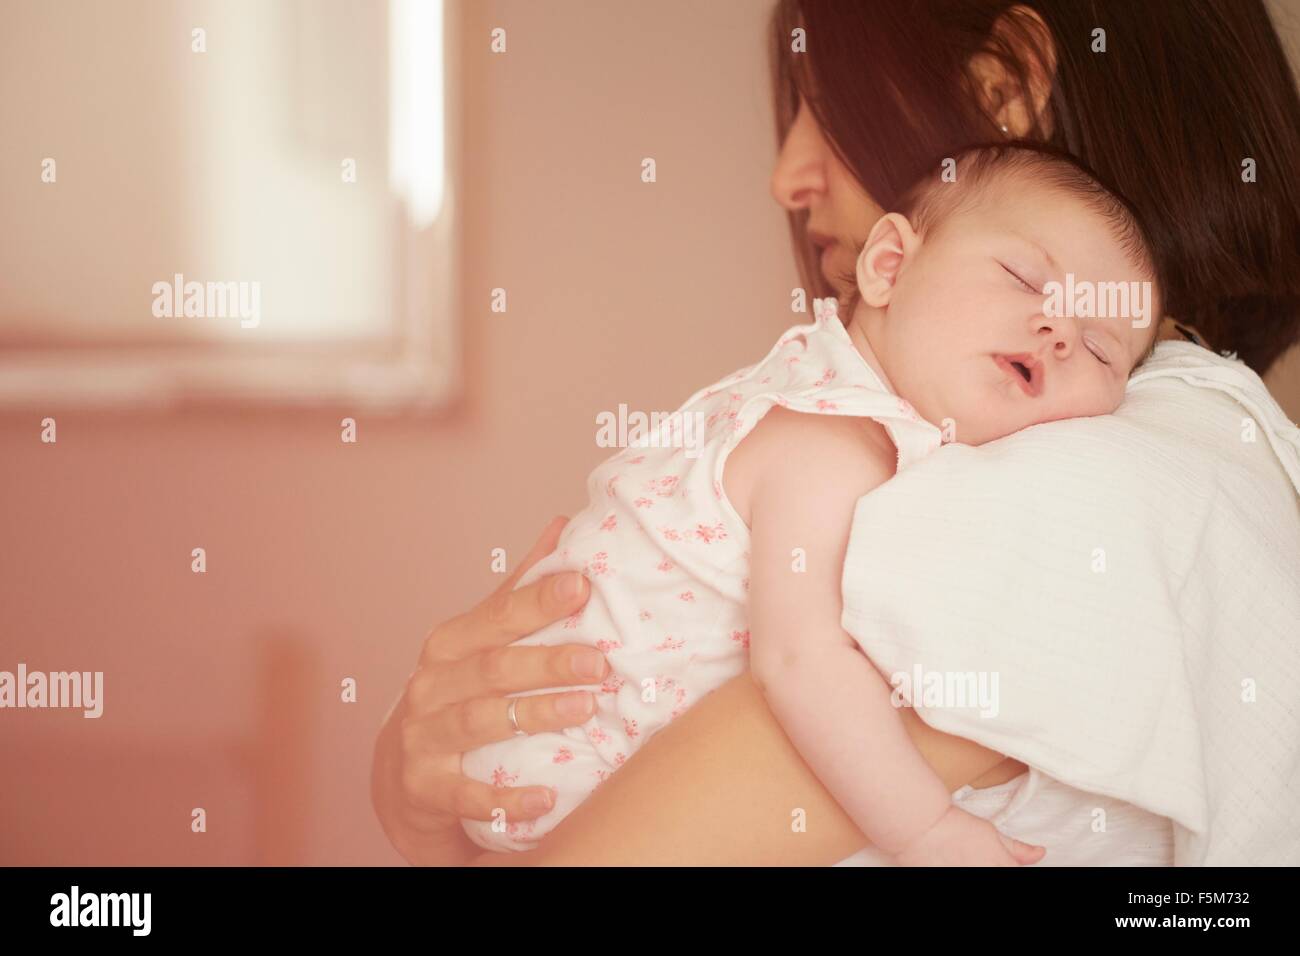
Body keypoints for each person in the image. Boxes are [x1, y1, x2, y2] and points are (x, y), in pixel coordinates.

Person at [372, 0, 1300, 866]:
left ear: (1005, 89)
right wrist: (427, 798)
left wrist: (421, 819)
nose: (787, 176)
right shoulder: (1164, 441)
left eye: (822, 104)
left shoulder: (1078, 486)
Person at [458, 144, 1161, 865]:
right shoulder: (829, 440)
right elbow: (800, 661)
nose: (1061, 330)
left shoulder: (840, 389)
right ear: (889, 266)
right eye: (1023, 278)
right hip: (571, 766)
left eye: (1103, 348)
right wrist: (925, 830)